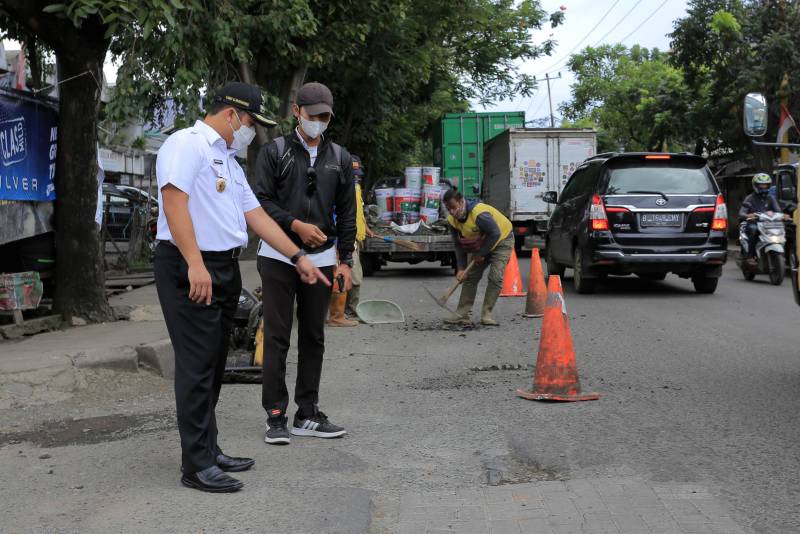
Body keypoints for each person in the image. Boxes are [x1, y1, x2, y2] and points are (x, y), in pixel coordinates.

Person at [154, 82, 329, 493]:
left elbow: (258, 218)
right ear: (231, 114)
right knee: (197, 367)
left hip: (223, 267)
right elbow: (173, 202)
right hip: (189, 265)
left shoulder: (229, 162)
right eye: (250, 121)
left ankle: (208, 449)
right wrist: (195, 263)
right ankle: (196, 465)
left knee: (214, 366)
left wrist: (298, 257)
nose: (250, 130)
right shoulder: (187, 144)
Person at [254, 81, 355, 445]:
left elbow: (347, 213)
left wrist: (346, 261)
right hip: (278, 257)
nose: (319, 122)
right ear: (297, 111)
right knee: (277, 338)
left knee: (314, 336)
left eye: (325, 117)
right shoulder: (274, 151)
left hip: (323, 259)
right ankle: (276, 416)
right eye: (313, 115)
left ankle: (307, 412)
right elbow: (259, 202)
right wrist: (294, 224)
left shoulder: (340, 158)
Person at [442, 189, 513, 326]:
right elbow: (458, 245)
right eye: (448, 208)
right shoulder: (452, 221)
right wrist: (461, 268)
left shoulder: (479, 214)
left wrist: (481, 254)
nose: (451, 211)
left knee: (495, 276)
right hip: (482, 243)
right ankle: (462, 314)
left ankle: (487, 314)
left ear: (462, 202)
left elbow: (495, 234)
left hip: (502, 240)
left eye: (453, 207)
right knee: (470, 277)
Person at [327, 154, 374, 325]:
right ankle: (344, 312)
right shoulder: (341, 188)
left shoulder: (356, 188)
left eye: (356, 174)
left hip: (354, 237)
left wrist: (365, 228)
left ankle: (345, 311)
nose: (355, 177)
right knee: (351, 276)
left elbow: (357, 214)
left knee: (353, 275)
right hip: (345, 239)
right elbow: (341, 216)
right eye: (353, 174)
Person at [740, 173, 783, 264]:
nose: (763, 187)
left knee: (782, 230)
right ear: (755, 185)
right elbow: (742, 212)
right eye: (761, 185)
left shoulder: (771, 198)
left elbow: (778, 211)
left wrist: (781, 215)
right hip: (754, 223)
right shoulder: (750, 198)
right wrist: (748, 215)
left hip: (768, 225)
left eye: (765, 185)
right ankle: (751, 255)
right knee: (753, 230)